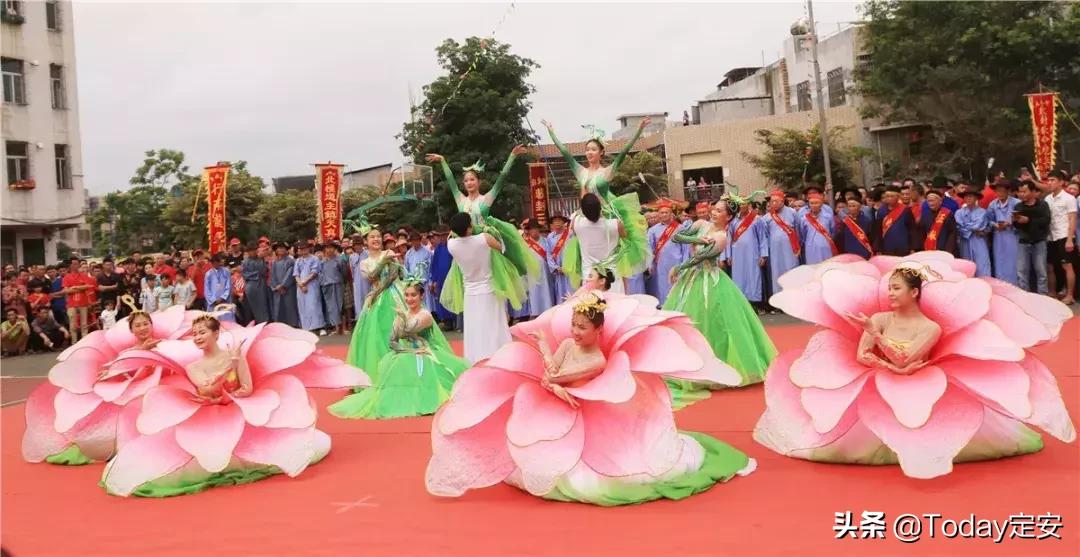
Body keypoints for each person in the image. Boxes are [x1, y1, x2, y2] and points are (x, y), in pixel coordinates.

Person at [425, 290, 754, 505]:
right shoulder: (568, 344)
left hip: (585, 414)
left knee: (610, 472)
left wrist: (551, 378)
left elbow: (555, 376)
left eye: (582, 327)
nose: (574, 332)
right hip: (556, 407)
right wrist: (543, 345)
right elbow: (552, 369)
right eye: (573, 325)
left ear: (598, 330)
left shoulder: (597, 361)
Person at [757, 258, 1075, 479]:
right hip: (871, 383)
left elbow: (902, 360)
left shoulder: (931, 329)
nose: (889, 293)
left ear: (915, 293)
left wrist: (882, 347)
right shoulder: (879, 318)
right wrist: (885, 355)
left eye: (896, 288)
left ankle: (922, 452)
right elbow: (866, 355)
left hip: (925, 383)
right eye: (889, 287)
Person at [99, 313, 369, 496]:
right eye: (195, 333)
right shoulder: (192, 366)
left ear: (216, 333)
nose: (197, 337)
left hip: (239, 412)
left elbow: (247, 388)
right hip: (209, 419)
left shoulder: (234, 357)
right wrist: (223, 375)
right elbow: (205, 390)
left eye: (202, 332)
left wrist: (237, 365)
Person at [664, 200, 778, 403]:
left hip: (710, 281)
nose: (714, 212)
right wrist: (698, 240)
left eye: (719, 211)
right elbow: (678, 237)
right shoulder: (700, 224)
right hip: (692, 281)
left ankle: (719, 366)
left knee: (716, 324)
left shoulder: (722, 237)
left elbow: (700, 259)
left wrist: (680, 267)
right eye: (714, 209)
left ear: (729, 217)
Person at [330, 279, 467, 419]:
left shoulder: (425, 315)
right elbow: (392, 342)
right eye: (406, 295)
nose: (409, 299)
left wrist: (402, 319)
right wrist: (410, 350)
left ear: (421, 296)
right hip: (407, 352)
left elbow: (409, 329)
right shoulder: (401, 315)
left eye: (413, 295)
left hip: (427, 353)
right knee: (395, 366)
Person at [425, 146, 534, 315]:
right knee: (470, 283)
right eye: (466, 180)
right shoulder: (461, 200)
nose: (469, 183)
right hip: (466, 245)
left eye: (472, 179)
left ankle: (500, 316)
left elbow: (501, 179)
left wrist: (511, 156)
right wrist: (443, 162)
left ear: (479, 181)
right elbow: (451, 182)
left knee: (493, 285)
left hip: (484, 244)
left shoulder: (486, 199)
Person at [542, 118, 652, 283]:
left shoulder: (606, 172)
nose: (589, 153)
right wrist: (551, 132)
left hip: (606, 213)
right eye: (587, 150)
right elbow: (564, 152)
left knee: (615, 254)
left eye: (593, 149)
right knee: (585, 252)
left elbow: (623, 152)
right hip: (586, 214)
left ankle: (620, 285)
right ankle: (588, 282)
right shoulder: (581, 172)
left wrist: (639, 130)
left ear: (601, 152)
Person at [446, 212, 511, 364]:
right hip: (489, 290)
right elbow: (502, 248)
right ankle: (499, 358)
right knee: (494, 326)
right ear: (469, 227)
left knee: (474, 329)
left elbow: (452, 236)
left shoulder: (451, 245)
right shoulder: (484, 239)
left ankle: (475, 360)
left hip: (470, 292)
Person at [346, 229, 404, 375]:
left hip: (394, 294)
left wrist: (376, 293)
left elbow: (392, 276)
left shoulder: (389, 253)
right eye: (372, 237)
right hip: (376, 299)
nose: (376, 239)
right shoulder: (364, 263)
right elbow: (371, 277)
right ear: (366, 241)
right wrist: (382, 263)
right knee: (377, 333)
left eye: (378, 236)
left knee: (399, 327)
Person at [571, 193, 627, 294]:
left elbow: (580, 212)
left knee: (591, 307)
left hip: (589, 277)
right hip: (611, 277)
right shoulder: (615, 224)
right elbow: (625, 237)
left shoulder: (577, 224)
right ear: (600, 207)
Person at [726, 194, 769, 310]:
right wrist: (728, 255)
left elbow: (762, 238)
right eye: (739, 204)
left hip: (752, 254)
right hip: (737, 255)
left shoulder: (757, 220)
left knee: (753, 276)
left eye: (744, 203)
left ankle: (754, 302)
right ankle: (741, 301)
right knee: (739, 276)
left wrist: (763, 255)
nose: (741, 206)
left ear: (749, 204)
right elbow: (729, 239)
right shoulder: (733, 222)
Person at [646, 200, 689, 305]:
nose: (664, 214)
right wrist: (649, 264)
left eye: (666, 212)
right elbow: (649, 248)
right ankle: (663, 305)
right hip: (660, 264)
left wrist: (685, 263)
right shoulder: (652, 230)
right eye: (661, 212)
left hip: (676, 262)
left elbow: (686, 248)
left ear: (671, 214)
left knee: (675, 284)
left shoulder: (681, 228)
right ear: (658, 214)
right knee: (661, 286)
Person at [1044, 169, 1077, 305]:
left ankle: (1070, 295)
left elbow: (1072, 219)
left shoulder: (1069, 198)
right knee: (1050, 266)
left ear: (1061, 182)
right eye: (1049, 180)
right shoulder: (1047, 198)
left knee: (1067, 266)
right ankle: (1052, 292)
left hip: (1064, 236)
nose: (1050, 183)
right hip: (1051, 236)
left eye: (1053, 180)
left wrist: (1070, 239)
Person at [1013, 180, 1052, 294]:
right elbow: (1016, 226)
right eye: (1019, 192)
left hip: (1039, 241)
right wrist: (1016, 221)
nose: (1021, 194)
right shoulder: (1018, 206)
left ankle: (1043, 297)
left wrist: (1028, 220)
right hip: (1023, 241)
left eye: (1024, 192)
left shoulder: (1042, 205)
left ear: (1033, 191)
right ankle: (1024, 298)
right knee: (1021, 272)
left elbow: (1046, 221)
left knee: (1041, 272)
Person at [763, 191, 800, 295]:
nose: (773, 203)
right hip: (775, 251)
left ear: (782, 201)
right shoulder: (766, 217)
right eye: (772, 201)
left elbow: (798, 229)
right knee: (776, 272)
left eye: (776, 201)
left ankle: (793, 295)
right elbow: (765, 235)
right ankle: (779, 297)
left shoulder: (792, 212)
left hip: (791, 249)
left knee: (791, 270)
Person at [517, 219, 555, 319]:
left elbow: (550, 256)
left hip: (545, 272)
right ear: (528, 231)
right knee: (534, 294)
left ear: (539, 229)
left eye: (536, 229)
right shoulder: (525, 243)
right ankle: (535, 314)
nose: (534, 232)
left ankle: (548, 313)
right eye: (532, 229)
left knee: (546, 292)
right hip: (531, 273)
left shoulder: (546, 241)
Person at [988, 180, 1020, 285]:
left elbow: (1020, 219)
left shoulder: (1016, 203)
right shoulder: (992, 204)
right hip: (999, 236)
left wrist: (1010, 222)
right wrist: (994, 225)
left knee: (1013, 259)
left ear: (1008, 191)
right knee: (999, 260)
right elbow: (988, 219)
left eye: (1002, 191)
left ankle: (1015, 284)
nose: (1000, 194)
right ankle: (1001, 285)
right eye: (998, 191)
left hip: (1012, 235)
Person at [954, 189, 992, 277]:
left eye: (971, 196)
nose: (968, 199)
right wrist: (970, 227)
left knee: (982, 264)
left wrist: (966, 226)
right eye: (966, 196)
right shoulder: (959, 212)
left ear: (976, 198)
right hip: (964, 241)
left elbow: (977, 226)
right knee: (967, 265)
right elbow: (958, 226)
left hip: (978, 240)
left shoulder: (982, 212)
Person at [873, 186, 916, 256]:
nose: (889, 198)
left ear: (898, 197)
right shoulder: (881, 211)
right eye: (887, 196)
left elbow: (912, 229)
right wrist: (878, 248)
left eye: (892, 196)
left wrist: (913, 247)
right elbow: (878, 230)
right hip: (886, 247)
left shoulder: (905, 210)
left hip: (903, 247)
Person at [428, 225, 456, 330]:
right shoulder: (438, 248)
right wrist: (433, 280)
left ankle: (453, 322)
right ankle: (446, 321)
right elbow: (434, 265)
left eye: (444, 235)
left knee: (451, 299)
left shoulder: (452, 246)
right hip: (440, 279)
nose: (442, 238)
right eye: (440, 236)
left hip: (450, 278)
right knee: (441, 300)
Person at [294, 242, 325, 333]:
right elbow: (296, 274)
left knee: (313, 305)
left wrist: (304, 283)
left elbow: (314, 273)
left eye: (305, 248)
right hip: (300, 287)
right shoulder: (298, 261)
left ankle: (319, 327)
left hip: (311, 285)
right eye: (301, 249)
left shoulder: (314, 259)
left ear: (309, 249)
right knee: (303, 306)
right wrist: (300, 284)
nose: (303, 250)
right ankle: (306, 327)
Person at [799, 193, 838, 265]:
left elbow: (833, 231)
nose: (814, 205)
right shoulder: (804, 218)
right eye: (812, 203)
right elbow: (802, 233)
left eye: (816, 203)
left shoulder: (828, 217)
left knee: (826, 266)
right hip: (810, 246)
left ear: (821, 204)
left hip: (826, 246)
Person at [917, 189, 958, 253]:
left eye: (933, 201)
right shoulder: (925, 216)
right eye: (928, 201)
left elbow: (952, 233)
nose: (931, 203)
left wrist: (949, 249)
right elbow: (922, 234)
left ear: (940, 201)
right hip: (928, 250)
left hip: (944, 249)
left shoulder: (948, 214)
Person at [270, 242, 300, 327]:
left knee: (290, 306)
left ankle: (293, 324)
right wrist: (276, 286)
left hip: (289, 288)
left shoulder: (291, 261)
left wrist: (283, 285)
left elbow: (290, 274)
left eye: (282, 248)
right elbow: (272, 276)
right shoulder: (274, 262)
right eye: (278, 248)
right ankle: (280, 325)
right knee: (279, 307)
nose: (280, 250)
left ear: (287, 250)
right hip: (278, 289)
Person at [835, 192, 874, 258]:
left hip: (863, 253)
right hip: (849, 253)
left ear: (860, 207)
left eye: (854, 206)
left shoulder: (867, 221)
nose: (851, 208)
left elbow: (871, 237)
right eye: (849, 206)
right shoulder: (845, 221)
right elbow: (841, 238)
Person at [320, 243, 347, 335]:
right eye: (327, 248)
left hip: (338, 285)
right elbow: (320, 274)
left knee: (340, 306)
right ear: (324, 250)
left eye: (331, 248)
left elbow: (344, 273)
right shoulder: (322, 262)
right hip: (326, 286)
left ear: (334, 249)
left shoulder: (339, 260)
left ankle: (343, 328)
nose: (329, 250)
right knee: (331, 307)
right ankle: (336, 327)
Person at [241, 243, 272, 324]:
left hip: (261, 286)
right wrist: (256, 275)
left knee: (263, 306)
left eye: (254, 250)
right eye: (250, 251)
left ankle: (265, 323)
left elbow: (264, 272)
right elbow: (245, 274)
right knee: (251, 308)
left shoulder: (261, 260)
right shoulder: (245, 262)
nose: (252, 252)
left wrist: (254, 274)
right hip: (250, 287)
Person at [404, 232, 435, 311]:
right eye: (413, 240)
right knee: (415, 304)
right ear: (411, 241)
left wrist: (431, 281)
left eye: (417, 240)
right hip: (413, 282)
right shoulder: (408, 253)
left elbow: (431, 268)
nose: (415, 242)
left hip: (425, 282)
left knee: (427, 305)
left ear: (420, 240)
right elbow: (406, 269)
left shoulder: (428, 252)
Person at [545, 215, 573, 302]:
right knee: (560, 295)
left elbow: (574, 251)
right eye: (555, 221)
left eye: (559, 220)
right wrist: (556, 268)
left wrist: (568, 267)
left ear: (563, 222)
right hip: (558, 271)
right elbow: (548, 254)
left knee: (571, 292)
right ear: (552, 224)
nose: (557, 222)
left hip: (570, 270)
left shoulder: (570, 234)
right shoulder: (550, 237)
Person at [348, 234, 371, 323]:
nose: (358, 246)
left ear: (362, 244)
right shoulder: (352, 257)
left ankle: (369, 320)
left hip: (367, 281)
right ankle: (360, 321)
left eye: (359, 244)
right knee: (358, 300)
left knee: (368, 299)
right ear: (353, 246)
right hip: (357, 281)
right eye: (356, 244)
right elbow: (352, 271)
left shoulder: (368, 254)